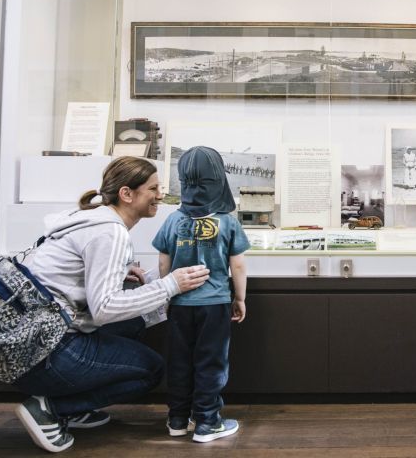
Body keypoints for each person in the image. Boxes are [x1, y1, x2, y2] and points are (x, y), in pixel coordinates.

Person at [14, 157, 210, 454]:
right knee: (151, 369)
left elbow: (73, 277)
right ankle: (50, 408)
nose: (160, 195)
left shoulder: (91, 218)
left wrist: (119, 272)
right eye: (153, 189)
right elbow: (104, 308)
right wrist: (171, 285)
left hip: (29, 340)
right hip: (44, 350)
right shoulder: (111, 232)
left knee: (132, 323)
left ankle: (71, 406)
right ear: (127, 194)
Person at [153, 146, 250, 444]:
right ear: (219, 180)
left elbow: (163, 262)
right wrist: (240, 298)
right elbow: (239, 264)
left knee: (180, 361)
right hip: (215, 304)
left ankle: (178, 419)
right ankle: (208, 421)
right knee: (211, 362)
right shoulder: (228, 222)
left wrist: (168, 294)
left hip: (181, 304)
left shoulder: (172, 220)